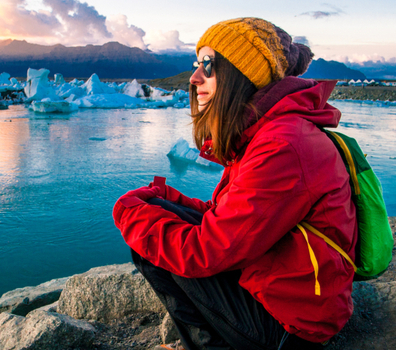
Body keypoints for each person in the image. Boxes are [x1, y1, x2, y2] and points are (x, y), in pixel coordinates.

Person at [112, 18, 357, 350]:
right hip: (278, 290)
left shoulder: (282, 145)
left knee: (150, 241)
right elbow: (228, 218)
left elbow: (207, 251)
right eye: (196, 65)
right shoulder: (266, 132)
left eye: (208, 66)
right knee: (155, 216)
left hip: (292, 327)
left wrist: (128, 212)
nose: (195, 77)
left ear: (242, 74)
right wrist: (162, 198)